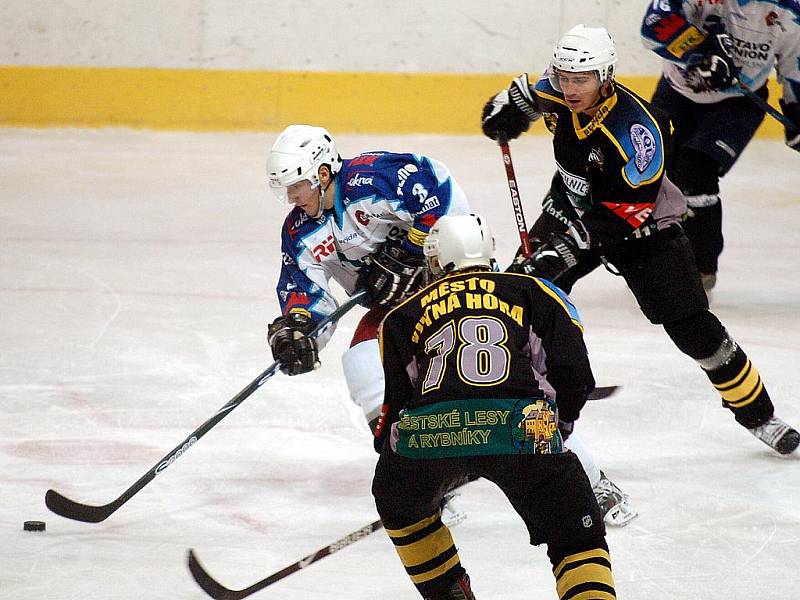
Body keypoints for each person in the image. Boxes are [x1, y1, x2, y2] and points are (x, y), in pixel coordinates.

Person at [265, 123, 635, 526]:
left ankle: (591, 481)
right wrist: (298, 330)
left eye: (295, 186)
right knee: (363, 362)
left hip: (459, 287)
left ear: (321, 174)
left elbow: (437, 193)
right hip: (401, 313)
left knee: (504, 387)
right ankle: (425, 480)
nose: (290, 197)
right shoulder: (300, 230)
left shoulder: (376, 177)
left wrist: (405, 253)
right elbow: (304, 289)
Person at [480, 24, 799, 455]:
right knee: (519, 299)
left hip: (643, 229)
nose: (571, 89)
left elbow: (627, 210)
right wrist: (504, 109)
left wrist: (566, 248)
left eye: (582, 80)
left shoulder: (636, 132)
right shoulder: (557, 87)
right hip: (572, 208)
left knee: (695, 331)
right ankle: (533, 412)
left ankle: (761, 415)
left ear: (605, 76)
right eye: (565, 78)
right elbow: (526, 93)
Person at [372, 213, 616, 600]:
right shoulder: (537, 292)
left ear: (435, 261)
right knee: (575, 538)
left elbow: (396, 408)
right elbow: (573, 374)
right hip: (522, 427)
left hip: (433, 433)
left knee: (398, 501)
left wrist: (414, 465)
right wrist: (560, 426)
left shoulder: (401, 316)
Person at [641, 0, 800, 291]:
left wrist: (797, 111)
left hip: (738, 104)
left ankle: (700, 271)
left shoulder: (789, 8)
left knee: (695, 172)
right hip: (676, 93)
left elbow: (795, 60)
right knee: (651, 172)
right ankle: (651, 259)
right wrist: (698, 55)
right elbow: (655, 24)